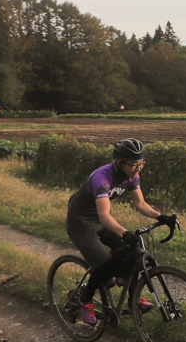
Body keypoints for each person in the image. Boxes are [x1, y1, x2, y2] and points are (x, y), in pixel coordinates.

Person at [64, 138, 176, 325]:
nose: (137, 168)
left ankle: (132, 298)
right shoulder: (102, 177)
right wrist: (124, 232)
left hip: (101, 220)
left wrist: (160, 217)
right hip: (81, 222)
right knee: (105, 265)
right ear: (120, 162)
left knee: (132, 252)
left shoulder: (132, 176)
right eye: (133, 164)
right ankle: (84, 299)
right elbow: (104, 216)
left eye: (141, 163)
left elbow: (140, 204)